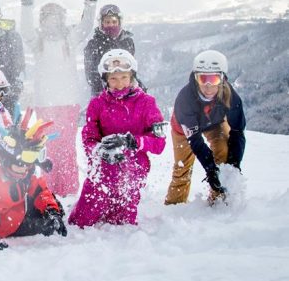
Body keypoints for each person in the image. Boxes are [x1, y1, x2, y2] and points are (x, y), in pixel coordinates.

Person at [18, 0, 102, 196]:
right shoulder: (39, 41)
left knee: (66, 149)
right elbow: (25, 30)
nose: (52, 22)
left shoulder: (70, 39)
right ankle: (48, 189)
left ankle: (69, 189)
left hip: (67, 103)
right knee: (48, 148)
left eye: (57, 17)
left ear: (62, 19)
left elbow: (85, 27)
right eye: (48, 18)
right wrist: (27, 4)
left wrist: (90, 0)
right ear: (43, 20)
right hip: (45, 104)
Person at [68, 49, 166, 227]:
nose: (119, 84)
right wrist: (100, 151)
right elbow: (89, 138)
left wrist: (134, 142)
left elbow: (159, 144)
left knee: (122, 224)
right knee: (81, 221)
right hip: (102, 168)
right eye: (113, 78)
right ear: (105, 80)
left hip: (133, 168)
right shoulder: (97, 104)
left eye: (124, 77)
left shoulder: (147, 103)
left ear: (132, 76)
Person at [0, 109, 67, 250]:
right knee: (43, 226)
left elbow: (40, 190)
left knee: (52, 208)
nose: (25, 170)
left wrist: (52, 210)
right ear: (7, 159)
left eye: (30, 163)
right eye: (21, 166)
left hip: (18, 210)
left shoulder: (26, 169)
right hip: (1, 225)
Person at [164, 50, 246, 205]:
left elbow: (237, 131)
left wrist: (235, 165)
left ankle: (218, 199)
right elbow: (195, 140)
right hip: (183, 130)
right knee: (183, 167)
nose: (208, 86)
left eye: (214, 79)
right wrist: (210, 169)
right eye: (203, 79)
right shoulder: (185, 99)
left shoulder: (230, 96)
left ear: (222, 79)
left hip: (214, 123)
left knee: (223, 153)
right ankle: (175, 206)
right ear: (196, 79)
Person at [84, 4, 139, 98]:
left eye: (114, 22)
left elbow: (131, 67)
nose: (111, 25)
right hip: (102, 91)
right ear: (101, 24)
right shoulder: (94, 44)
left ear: (119, 23)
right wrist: (102, 91)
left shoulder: (127, 42)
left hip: (125, 89)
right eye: (107, 22)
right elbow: (91, 73)